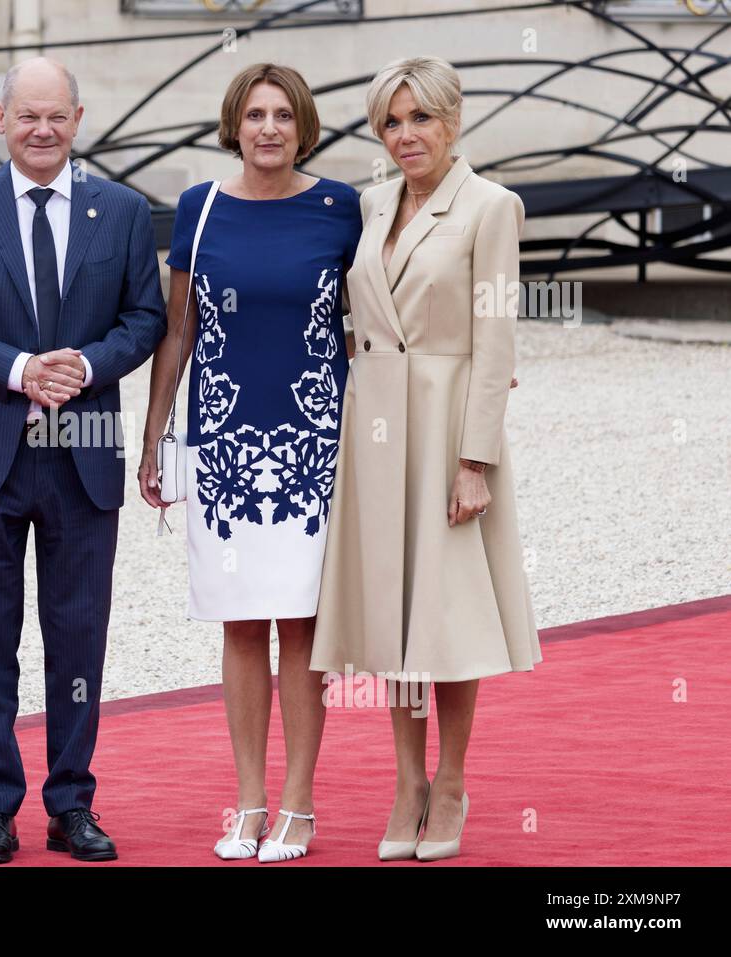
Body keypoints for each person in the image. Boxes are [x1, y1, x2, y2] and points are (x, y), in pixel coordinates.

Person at [0, 57, 165, 864]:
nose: (43, 130)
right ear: (1, 119)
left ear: (79, 118)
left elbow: (145, 318)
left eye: (57, 116)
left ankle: (71, 803)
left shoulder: (121, 212)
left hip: (84, 449)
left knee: (78, 637)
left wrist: (85, 366)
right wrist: (23, 370)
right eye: (28, 116)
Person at [310, 56, 541, 862]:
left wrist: (475, 459)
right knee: (393, 610)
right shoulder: (373, 204)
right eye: (392, 122)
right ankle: (405, 779)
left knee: (445, 610)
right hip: (373, 422)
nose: (406, 135)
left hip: (445, 426)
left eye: (421, 119)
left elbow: (496, 335)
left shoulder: (490, 206)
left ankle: (450, 779)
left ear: (453, 119)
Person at [138, 63, 361, 862]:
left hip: (314, 446)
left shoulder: (343, 209)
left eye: (283, 115)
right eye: (255, 115)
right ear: (234, 123)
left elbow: (374, 323)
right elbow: (178, 332)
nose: (269, 128)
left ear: (304, 124)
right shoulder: (198, 210)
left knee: (302, 625)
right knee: (239, 624)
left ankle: (298, 804)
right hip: (223, 447)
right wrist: (155, 437)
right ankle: (247, 802)